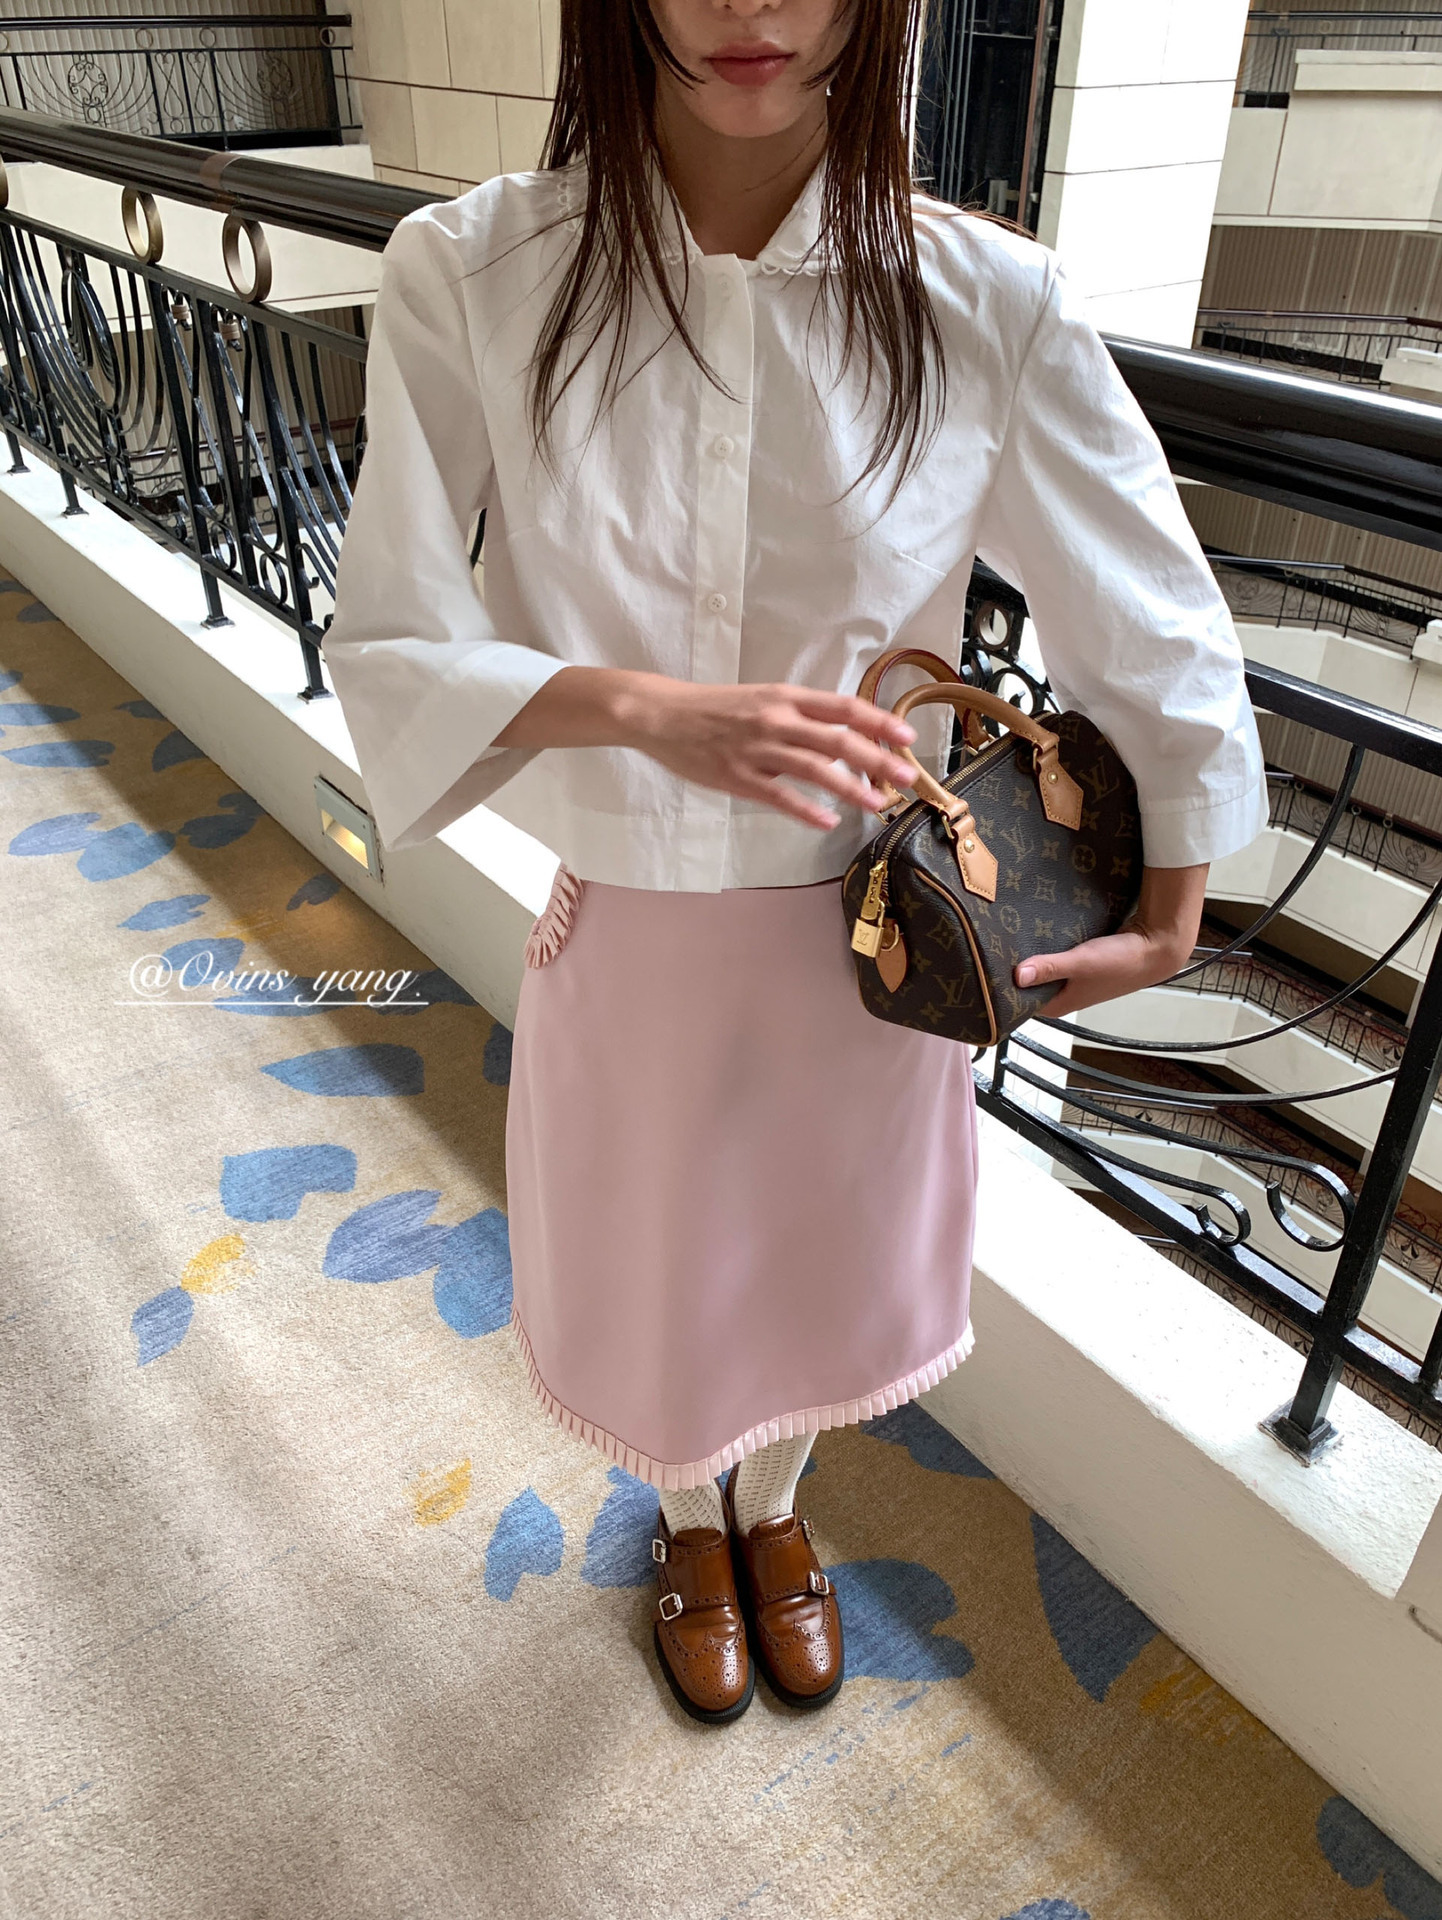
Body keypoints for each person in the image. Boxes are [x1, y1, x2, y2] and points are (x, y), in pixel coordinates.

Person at [321, 0, 1267, 1725]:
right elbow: (390, 631)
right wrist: (643, 710)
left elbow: (1146, 610)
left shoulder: (984, 298)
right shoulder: (471, 269)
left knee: (821, 1260)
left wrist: (1173, 910)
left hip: (878, 935)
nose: (750, 11)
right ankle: (687, 1524)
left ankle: (772, 1514)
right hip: (635, 927)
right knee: (657, 1269)